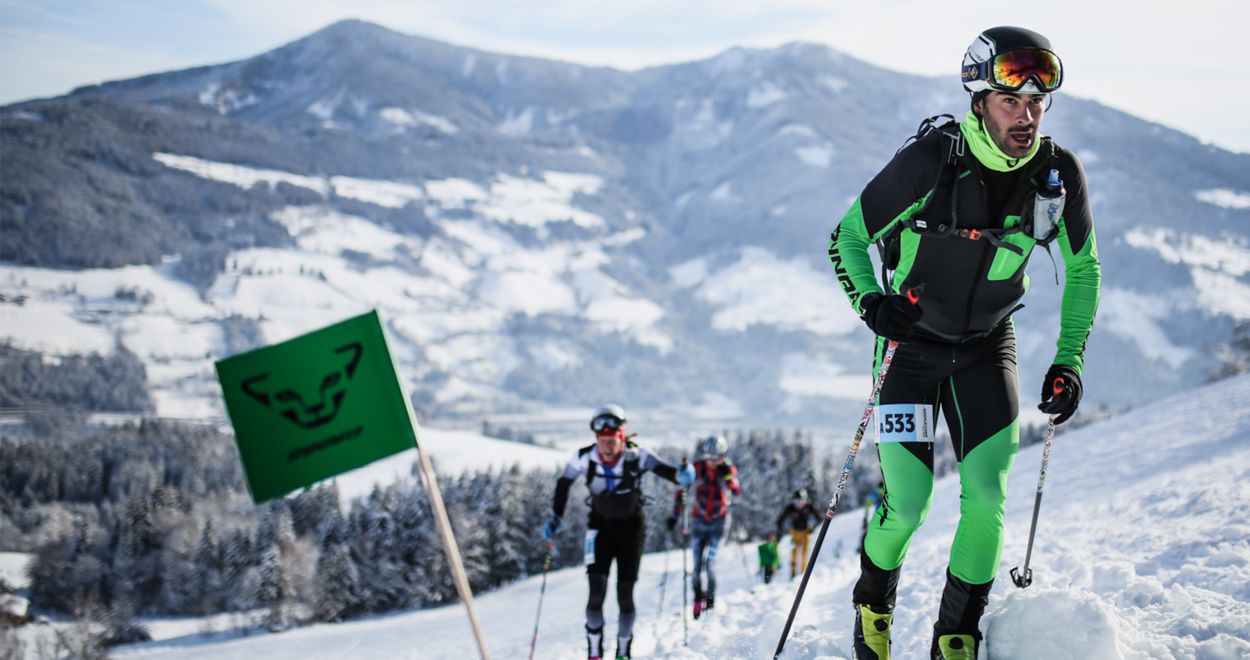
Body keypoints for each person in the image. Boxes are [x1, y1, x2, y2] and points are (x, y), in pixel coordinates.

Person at [827, 26, 1100, 660]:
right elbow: (844, 239)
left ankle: (957, 637)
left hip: (986, 346)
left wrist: (1069, 360)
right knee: (908, 505)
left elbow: (1084, 270)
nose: (1027, 115)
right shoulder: (931, 161)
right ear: (980, 98)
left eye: (1037, 102)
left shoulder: (1057, 174)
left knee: (985, 497)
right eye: (1013, 101)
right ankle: (872, 611)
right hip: (909, 353)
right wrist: (872, 302)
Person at [544, 405, 694, 660]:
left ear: (621, 436)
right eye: (602, 441)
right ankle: (594, 651)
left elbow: (668, 472)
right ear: (596, 439)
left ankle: (623, 651)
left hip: (632, 531)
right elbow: (563, 483)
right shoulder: (584, 457)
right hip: (598, 529)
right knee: (596, 592)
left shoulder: (638, 456)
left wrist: (682, 476)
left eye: (612, 441)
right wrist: (556, 515)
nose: (607, 447)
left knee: (625, 594)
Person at [668, 434, 740, 619]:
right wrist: (675, 515)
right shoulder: (697, 469)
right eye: (709, 457)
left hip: (719, 522)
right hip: (699, 521)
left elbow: (736, 491)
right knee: (696, 567)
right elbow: (682, 489)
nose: (713, 462)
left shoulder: (727, 469)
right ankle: (697, 600)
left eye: (717, 458)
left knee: (710, 564)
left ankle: (710, 601)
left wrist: (728, 477)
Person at [775, 488, 821, 579]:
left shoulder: (809, 507)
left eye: (801, 501)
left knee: (804, 553)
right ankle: (792, 572)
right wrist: (781, 529)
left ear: (805, 500)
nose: (799, 504)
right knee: (794, 552)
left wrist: (813, 528)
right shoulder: (790, 508)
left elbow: (819, 517)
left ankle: (803, 573)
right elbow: (780, 520)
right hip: (795, 533)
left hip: (806, 532)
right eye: (796, 501)